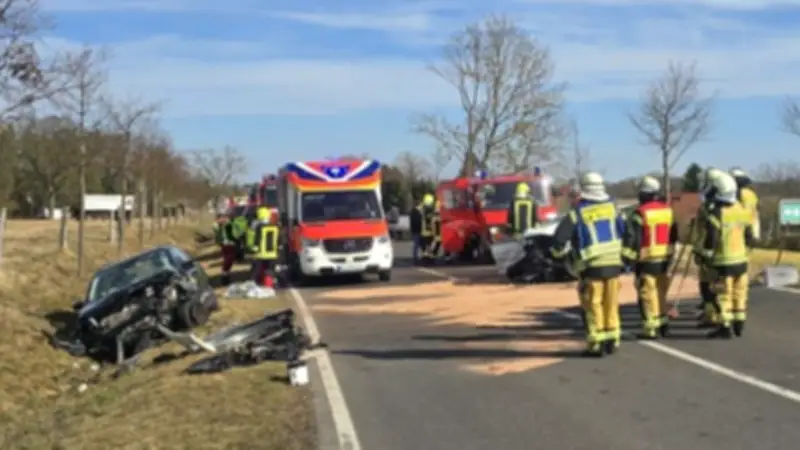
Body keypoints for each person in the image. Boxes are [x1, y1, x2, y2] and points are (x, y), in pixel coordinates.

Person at [550, 172, 626, 357]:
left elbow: (559, 240)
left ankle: (596, 344)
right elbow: (627, 232)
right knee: (611, 303)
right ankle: (612, 339)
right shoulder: (613, 209)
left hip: (591, 267)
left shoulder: (577, 213)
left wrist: (557, 256)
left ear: (582, 190)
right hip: (615, 265)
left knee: (593, 305)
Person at [693, 172, 754, 338]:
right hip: (741, 260)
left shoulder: (717, 213)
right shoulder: (740, 208)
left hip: (722, 261)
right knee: (739, 292)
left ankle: (725, 326)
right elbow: (749, 236)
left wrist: (704, 255)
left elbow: (711, 238)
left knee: (723, 294)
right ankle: (739, 322)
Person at [621, 176, 678, 339]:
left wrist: (628, 260)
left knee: (647, 294)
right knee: (661, 291)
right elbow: (674, 235)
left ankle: (651, 327)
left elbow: (634, 239)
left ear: (644, 194)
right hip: (665, 258)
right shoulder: (668, 211)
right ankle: (664, 323)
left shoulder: (639, 213)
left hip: (646, 259)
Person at [692, 168, 727, 327]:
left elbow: (709, 230)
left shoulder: (713, 205)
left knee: (712, 285)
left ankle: (716, 316)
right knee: (706, 284)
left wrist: (703, 252)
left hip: (711, 251)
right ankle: (710, 313)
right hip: (707, 248)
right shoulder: (709, 202)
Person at [247, 206, 281, 288]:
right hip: (273, 253)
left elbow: (257, 239)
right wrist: (279, 247)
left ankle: (254, 284)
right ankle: (273, 283)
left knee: (257, 270)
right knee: (271, 270)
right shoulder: (275, 226)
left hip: (261, 254)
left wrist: (254, 247)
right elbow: (279, 239)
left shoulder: (258, 226)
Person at [730, 167, 760, 241]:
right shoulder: (751, 194)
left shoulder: (731, 194)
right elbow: (755, 213)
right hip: (750, 227)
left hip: (735, 228)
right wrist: (756, 234)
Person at [410, 194, 436, 263]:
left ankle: (425, 257)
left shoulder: (420, 211)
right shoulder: (415, 211)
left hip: (422, 231)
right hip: (418, 231)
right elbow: (416, 221)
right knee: (417, 244)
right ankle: (416, 258)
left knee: (422, 245)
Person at [213, 212, 236, 286]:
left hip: (228, 244)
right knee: (228, 261)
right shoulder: (222, 226)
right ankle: (225, 278)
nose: (225, 219)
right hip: (227, 245)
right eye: (223, 217)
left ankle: (226, 277)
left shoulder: (225, 225)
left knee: (229, 261)